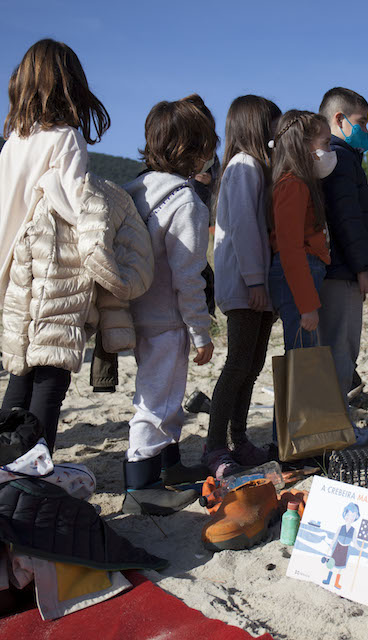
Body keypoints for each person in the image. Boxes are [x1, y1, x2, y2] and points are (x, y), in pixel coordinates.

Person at [0, 39, 109, 450]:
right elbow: (76, 205)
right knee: (51, 377)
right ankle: (35, 467)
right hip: (54, 272)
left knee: (20, 371)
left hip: (14, 270)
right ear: (71, 85)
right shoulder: (66, 138)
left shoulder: (11, 145)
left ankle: (4, 463)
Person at [121, 95, 217, 514]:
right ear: (196, 149)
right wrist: (200, 331)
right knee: (158, 400)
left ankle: (168, 466)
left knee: (161, 394)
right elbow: (188, 279)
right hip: (167, 320)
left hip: (133, 312)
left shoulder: (135, 190)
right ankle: (140, 485)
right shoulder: (186, 203)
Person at [205, 95, 282, 477]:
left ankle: (240, 440)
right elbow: (243, 229)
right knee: (237, 365)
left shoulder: (256, 169)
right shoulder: (243, 167)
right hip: (245, 285)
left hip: (259, 286)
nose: (277, 132)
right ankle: (215, 446)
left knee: (251, 366)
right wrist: (255, 280)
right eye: (273, 124)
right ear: (256, 126)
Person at [318, 88, 368, 408]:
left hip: (335, 268)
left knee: (332, 348)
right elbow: (347, 219)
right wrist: (364, 267)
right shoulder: (340, 158)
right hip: (343, 271)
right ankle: (335, 428)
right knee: (341, 350)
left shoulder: (334, 157)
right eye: (362, 122)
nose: (366, 131)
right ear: (339, 119)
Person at [268, 110, 333, 352]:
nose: (329, 150)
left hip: (304, 273)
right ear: (303, 144)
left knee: (304, 349)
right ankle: (301, 393)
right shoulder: (292, 185)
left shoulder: (298, 183)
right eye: (325, 143)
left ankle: (303, 392)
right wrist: (306, 305)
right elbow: (290, 249)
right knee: (301, 352)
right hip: (298, 275)